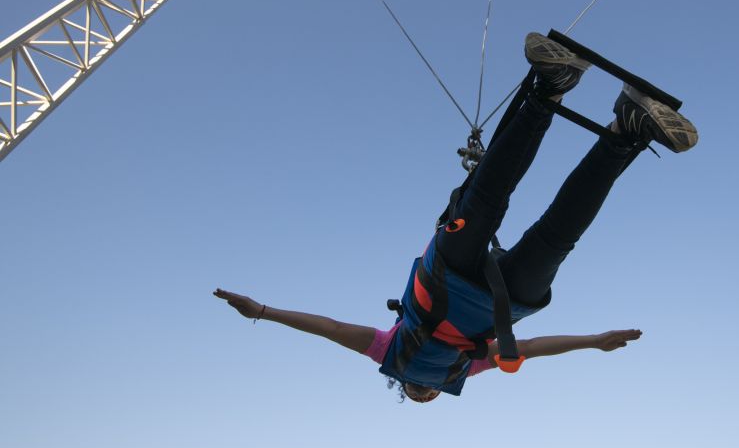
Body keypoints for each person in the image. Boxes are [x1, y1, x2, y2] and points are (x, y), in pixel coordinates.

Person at [215, 32, 697, 403]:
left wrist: (263, 311)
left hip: (445, 277)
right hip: (502, 305)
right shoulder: (466, 369)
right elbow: (531, 348)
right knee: (558, 238)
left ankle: (551, 87)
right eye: (428, 395)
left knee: (487, 199)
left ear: (402, 387)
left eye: (414, 393)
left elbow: (332, 329)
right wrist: (594, 340)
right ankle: (626, 128)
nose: (424, 392)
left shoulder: (388, 351)